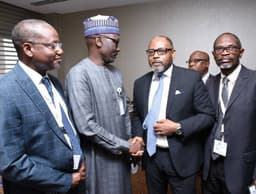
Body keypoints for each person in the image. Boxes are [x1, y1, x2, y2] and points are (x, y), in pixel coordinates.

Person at [0, 19, 86, 194]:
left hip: (75, 182)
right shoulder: (5, 91)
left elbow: (63, 130)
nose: (60, 50)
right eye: (52, 45)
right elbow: (11, 163)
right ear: (28, 49)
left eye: (59, 44)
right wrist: (65, 180)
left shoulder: (54, 82)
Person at [65, 15, 144, 194]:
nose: (118, 47)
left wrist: (132, 140)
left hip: (121, 157)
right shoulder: (79, 74)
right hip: (98, 162)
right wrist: (125, 145)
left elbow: (124, 114)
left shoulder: (116, 73)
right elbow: (86, 126)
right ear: (98, 41)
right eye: (115, 42)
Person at [132, 35, 215, 194]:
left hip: (182, 156)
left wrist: (178, 127)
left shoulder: (191, 78)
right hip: (152, 158)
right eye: (151, 52)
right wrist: (138, 136)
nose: (155, 55)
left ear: (173, 53)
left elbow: (208, 116)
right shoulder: (140, 83)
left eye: (161, 51)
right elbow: (137, 115)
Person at [203, 32, 256, 194]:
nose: (224, 53)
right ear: (213, 55)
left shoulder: (254, 80)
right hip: (211, 165)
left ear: (241, 52)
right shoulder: (208, 84)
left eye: (231, 48)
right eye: (219, 49)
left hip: (242, 167)